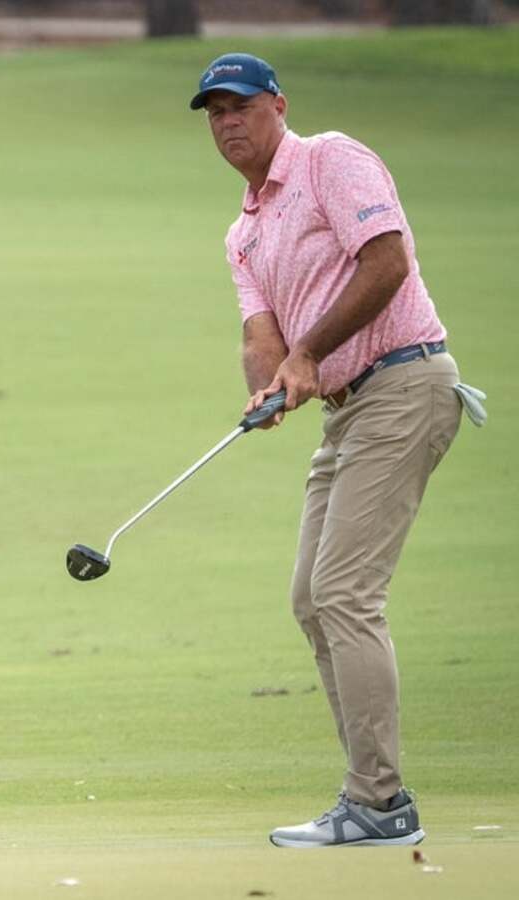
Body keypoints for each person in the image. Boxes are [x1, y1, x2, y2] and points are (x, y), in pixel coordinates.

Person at [190, 53, 486, 848]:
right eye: (214, 113)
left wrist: (309, 356)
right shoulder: (243, 232)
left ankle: (379, 803)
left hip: (406, 383)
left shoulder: (332, 160)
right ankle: (371, 797)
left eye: (241, 107)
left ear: (278, 105)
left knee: (346, 593)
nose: (228, 124)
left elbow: (388, 261)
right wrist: (269, 382)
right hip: (348, 411)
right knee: (311, 599)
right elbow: (263, 334)